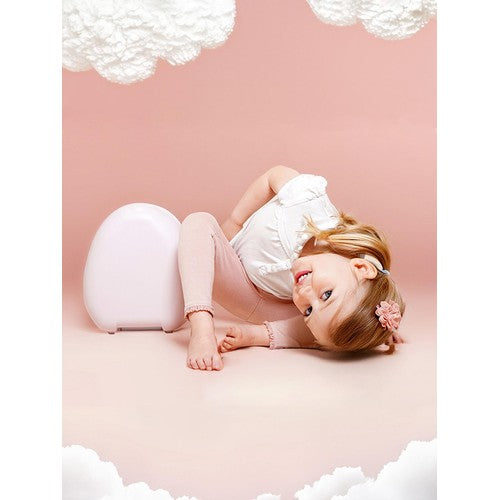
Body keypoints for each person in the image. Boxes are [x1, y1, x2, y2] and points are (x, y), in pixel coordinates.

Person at [177, 166, 405, 371]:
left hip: (271, 305)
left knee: (329, 329)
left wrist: (369, 327)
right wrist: (235, 221)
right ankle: (201, 324)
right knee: (198, 222)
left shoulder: (317, 295)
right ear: (360, 266)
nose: (305, 296)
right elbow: (273, 176)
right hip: (238, 275)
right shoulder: (306, 203)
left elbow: (357, 298)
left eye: (309, 310)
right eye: (327, 294)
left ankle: (262, 334)